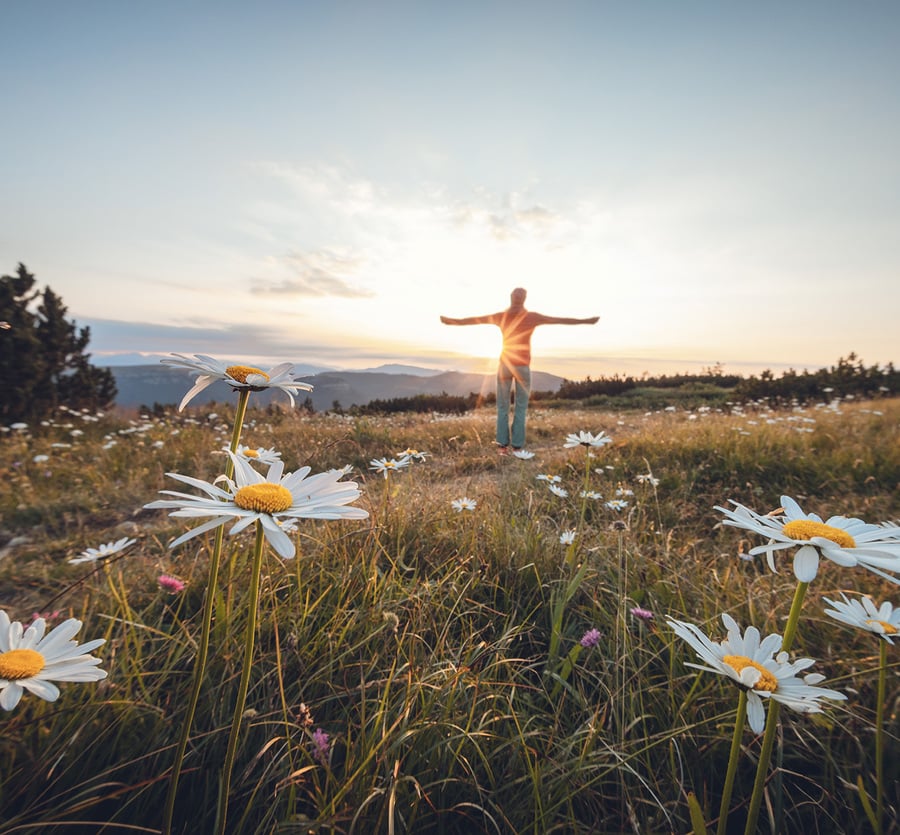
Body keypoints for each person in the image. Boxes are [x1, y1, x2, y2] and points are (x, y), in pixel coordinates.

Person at [441, 288, 599, 453]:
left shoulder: (501, 316)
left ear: (511, 298)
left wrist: (451, 321)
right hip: (522, 367)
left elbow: (475, 320)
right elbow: (560, 320)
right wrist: (587, 321)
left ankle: (502, 447)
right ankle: (517, 447)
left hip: (505, 366)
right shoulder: (532, 317)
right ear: (525, 299)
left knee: (502, 407)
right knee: (521, 407)